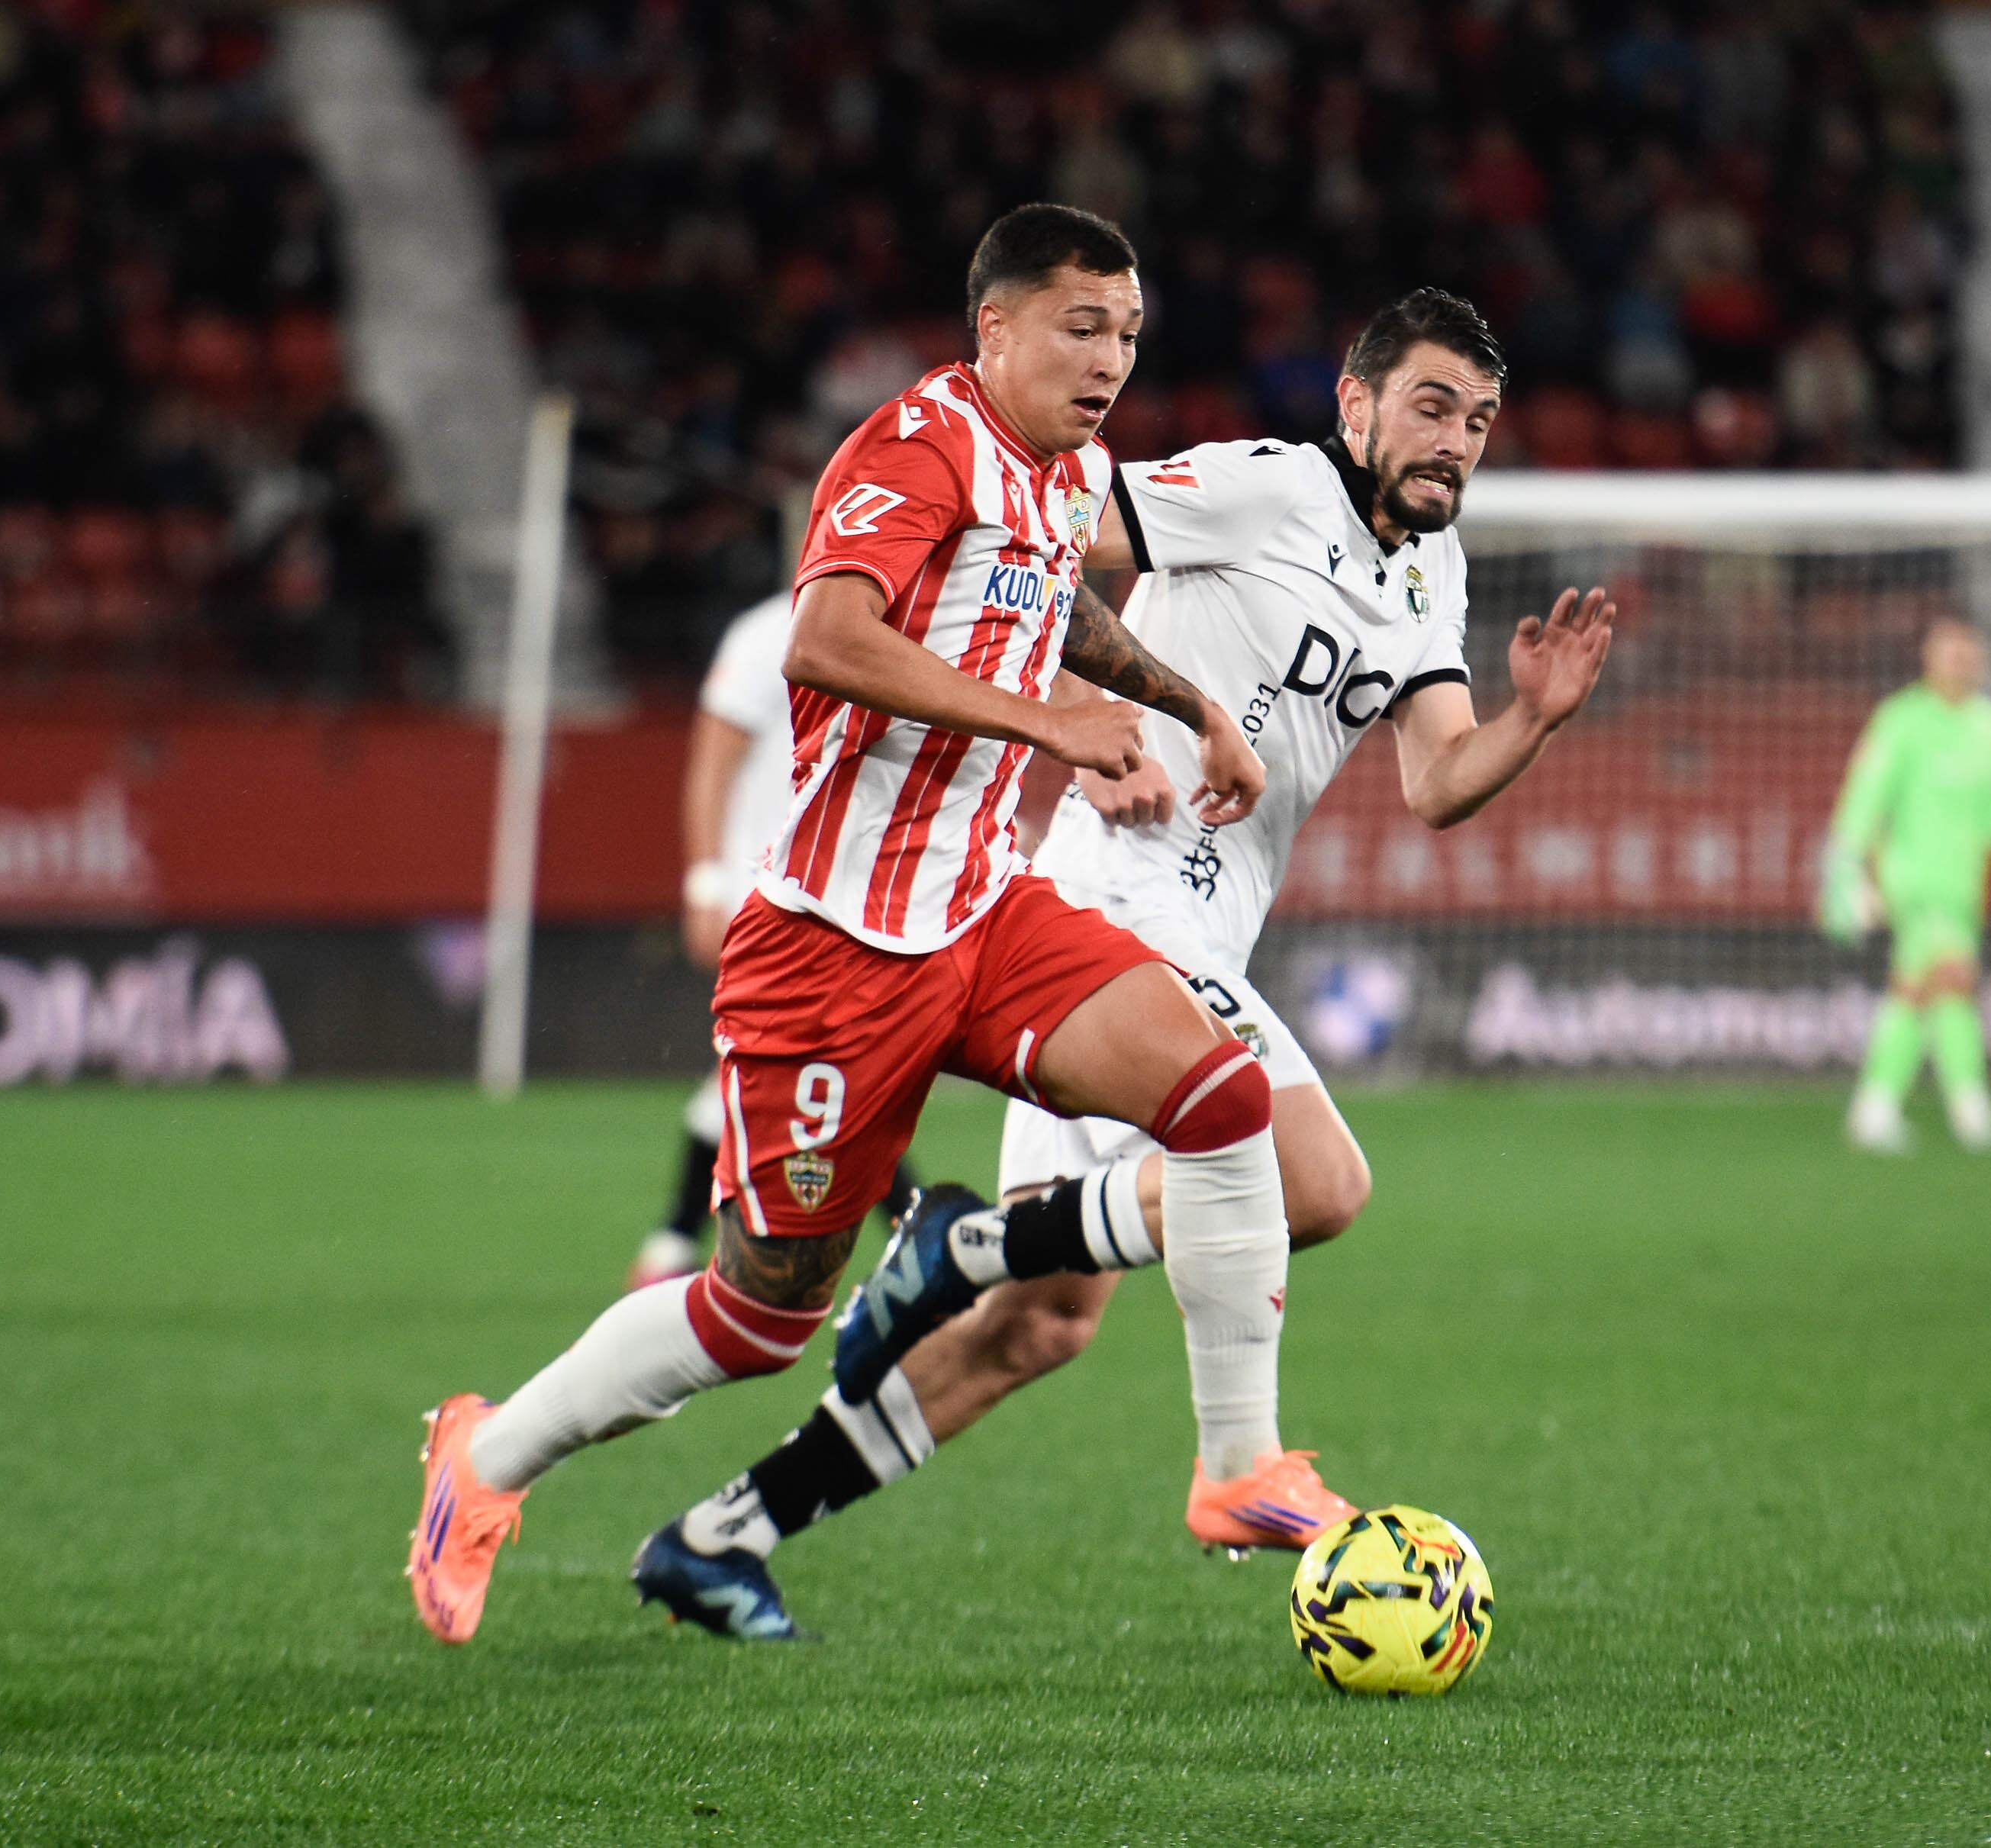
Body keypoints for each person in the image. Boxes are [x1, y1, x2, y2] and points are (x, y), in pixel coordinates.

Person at [633, 288, 1616, 1639]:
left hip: (1201, 930)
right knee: (1314, 1181)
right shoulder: (1261, 486)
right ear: (1355, 404)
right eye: (1432, 405)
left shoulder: (1427, 571)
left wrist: (1534, 720)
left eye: (1480, 421)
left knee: (1040, 1323)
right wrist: (1088, 714)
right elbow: (1044, 531)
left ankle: (722, 1531)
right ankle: (967, 1245)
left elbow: (1439, 780)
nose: (1456, 439)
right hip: (1110, 903)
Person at [408, 204, 1327, 1648]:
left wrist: (1183, 703)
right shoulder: (912, 447)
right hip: (835, 946)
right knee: (761, 1318)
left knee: (1218, 1104)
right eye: (1080, 327)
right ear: (996, 327)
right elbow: (824, 640)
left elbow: (1053, 605)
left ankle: (1237, 1468)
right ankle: (484, 1458)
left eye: (1129, 336)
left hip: (983, 908)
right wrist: (1050, 723)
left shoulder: (1060, 468)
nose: (1108, 362)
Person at [627, 592, 915, 1293]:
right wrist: (704, 883)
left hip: (847, 893)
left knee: (794, 1064)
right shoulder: (765, 632)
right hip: (771, 893)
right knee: (835, 1063)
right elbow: (713, 761)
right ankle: (913, 1232)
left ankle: (675, 1242)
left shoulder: (908, 624)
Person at [1820, 617, 1991, 1152]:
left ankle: (1879, 1107)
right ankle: (1965, 1108)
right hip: (1911, 879)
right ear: (1928, 659)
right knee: (1952, 976)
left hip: (1962, 886)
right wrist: (1845, 867)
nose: (1961, 662)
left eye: (1968, 653)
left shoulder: (1990, 726)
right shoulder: (1901, 720)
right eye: (1950, 652)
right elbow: (1866, 796)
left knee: (1924, 990)